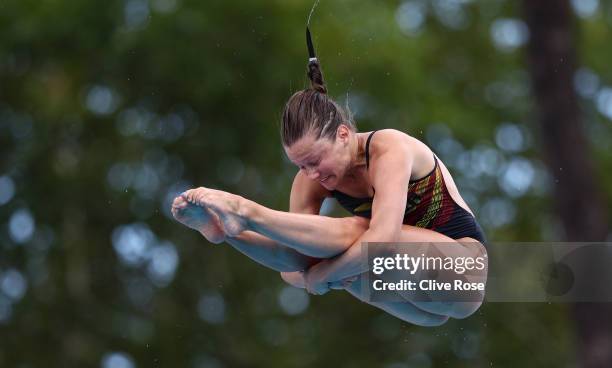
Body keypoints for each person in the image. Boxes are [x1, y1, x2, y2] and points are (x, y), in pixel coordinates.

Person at [171, 29, 487, 326]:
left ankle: (245, 211)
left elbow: (384, 241)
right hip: (416, 305)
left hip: (462, 274)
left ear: (343, 135)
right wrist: (312, 274)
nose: (312, 174)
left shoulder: (389, 149)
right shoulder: (309, 180)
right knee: (330, 248)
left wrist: (325, 276)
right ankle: (228, 231)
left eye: (315, 160)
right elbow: (293, 268)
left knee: (360, 233)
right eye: (301, 166)